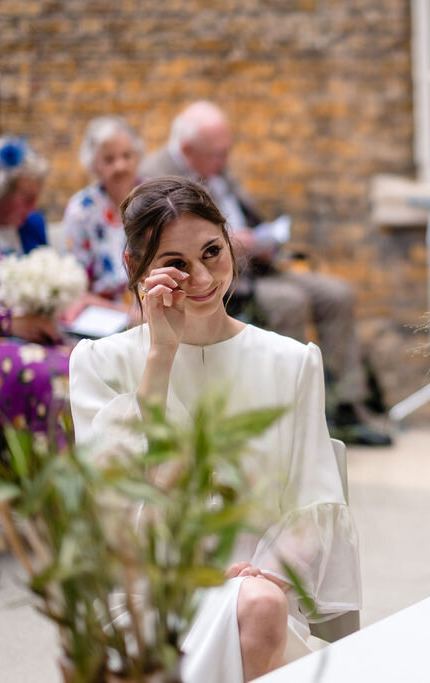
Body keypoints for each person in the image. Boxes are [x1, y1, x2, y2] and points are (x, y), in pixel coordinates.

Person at [68, 177, 361, 682]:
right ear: (136, 268)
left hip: (264, 590)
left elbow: (313, 503)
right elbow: (111, 510)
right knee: (256, 611)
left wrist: (261, 578)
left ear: (231, 242)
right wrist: (160, 356)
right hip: (143, 596)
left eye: (211, 252)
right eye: (176, 263)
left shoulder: (291, 362)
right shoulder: (101, 363)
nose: (201, 277)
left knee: (261, 608)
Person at [139, 101, 390, 446]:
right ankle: (291, 411)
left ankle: (348, 407)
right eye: (217, 155)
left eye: (225, 152)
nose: (224, 162)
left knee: (337, 294)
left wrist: (264, 238)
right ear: (187, 150)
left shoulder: (216, 167)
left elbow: (246, 213)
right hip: (224, 276)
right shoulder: (158, 173)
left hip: (261, 262)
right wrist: (231, 243)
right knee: (290, 301)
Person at [0, 136, 70, 437]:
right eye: (25, 198)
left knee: (82, 358)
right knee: (50, 371)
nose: (33, 207)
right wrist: (8, 321)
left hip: (4, 328)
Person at [63, 116, 144, 304]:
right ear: (94, 164)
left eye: (126, 156)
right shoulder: (82, 210)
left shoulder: (156, 198)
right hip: (102, 311)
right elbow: (76, 283)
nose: (120, 166)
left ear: (137, 156)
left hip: (154, 302)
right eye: (109, 159)